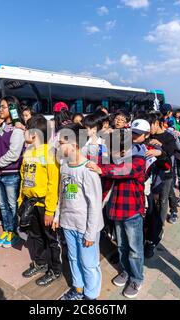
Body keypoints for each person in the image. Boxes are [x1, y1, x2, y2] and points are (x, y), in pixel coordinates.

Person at [87, 128, 147, 299]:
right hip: (115, 209)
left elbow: (124, 170)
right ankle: (125, 271)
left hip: (131, 211)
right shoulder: (111, 158)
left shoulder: (137, 160)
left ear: (122, 149)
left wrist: (101, 170)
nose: (107, 150)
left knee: (135, 249)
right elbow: (95, 159)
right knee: (121, 245)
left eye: (110, 147)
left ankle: (136, 278)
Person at [56, 123, 104, 300]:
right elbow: (62, 193)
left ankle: (91, 296)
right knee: (73, 258)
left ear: (75, 144)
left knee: (89, 263)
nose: (58, 147)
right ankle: (77, 289)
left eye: (61, 143)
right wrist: (57, 215)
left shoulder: (88, 170)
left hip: (85, 228)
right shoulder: (65, 166)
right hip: (68, 224)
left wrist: (91, 234)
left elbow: (95, 205)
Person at [19, 115, 62, 287]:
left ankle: (55, 270)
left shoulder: (50, 153)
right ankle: (40, 262)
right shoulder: (28, 152)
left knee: (50, 239)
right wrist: (20, 201)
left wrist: (50, 210)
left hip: (45, 205)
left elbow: (53, 183)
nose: (23, 132)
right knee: (34, 236)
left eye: (26, 129)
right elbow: (24, 177)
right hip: (30, 203)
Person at [0, 96, 25, 248]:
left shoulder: (18, 129)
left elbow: (14, 153)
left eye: (3, 107)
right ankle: (7, 230)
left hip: (10, 174)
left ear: (12, 109)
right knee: (2, 205)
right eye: (0, 107)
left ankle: (14, 232)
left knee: (12, 205)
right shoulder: (0, 127)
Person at [144, 113, 178, 257]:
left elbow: (171, 153)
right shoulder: (147, 137)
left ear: (157, 123)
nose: (148, 129)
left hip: (165, 175)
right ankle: (154, 227)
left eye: (150, 125)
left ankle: (160, 227)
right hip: (152, 175)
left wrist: (161, 147)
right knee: (153, 203)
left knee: (163, 201)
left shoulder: (169, 137)